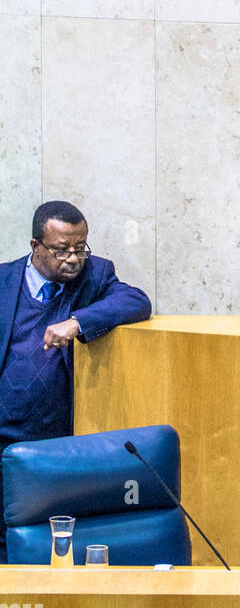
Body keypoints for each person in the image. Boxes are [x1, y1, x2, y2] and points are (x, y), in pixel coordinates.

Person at [0, 200, 152, 561]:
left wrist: (77, 322)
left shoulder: (95, 276)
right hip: (3, 434)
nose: (73, 259)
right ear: (36, 247)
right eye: (61, 250)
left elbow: (136, 301)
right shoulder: (3, 282)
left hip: (53, 444)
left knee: (45, 541)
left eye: (80, 248)